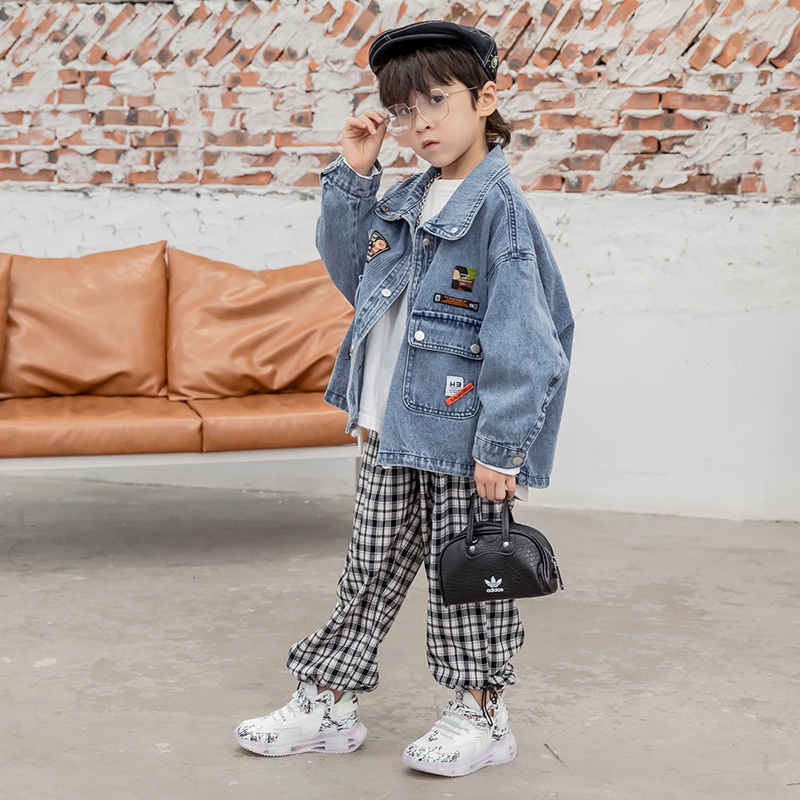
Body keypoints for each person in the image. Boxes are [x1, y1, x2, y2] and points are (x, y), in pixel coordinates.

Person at [235, 20, 573, 777]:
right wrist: (355, 176)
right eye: (405, 109)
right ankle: (328, 702)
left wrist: (500, 450)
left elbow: (528, 341)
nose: (421, 123)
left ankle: (481, 715)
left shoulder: (499, 212)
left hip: (460, 440)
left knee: (467, 579)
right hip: (390, 429)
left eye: (438, 100)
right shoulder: (407, 196)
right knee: (368, 570)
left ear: (486, 98)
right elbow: (355, 276)